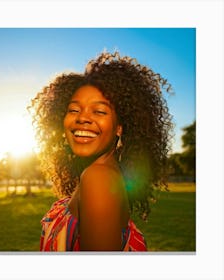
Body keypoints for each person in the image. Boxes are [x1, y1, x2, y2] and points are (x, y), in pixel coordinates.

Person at [29, 51, 173, 251]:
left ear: (119, 127)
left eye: (99, 111)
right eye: (74, 110)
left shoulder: (99, 177)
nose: (83, 118)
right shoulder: (101, 173)